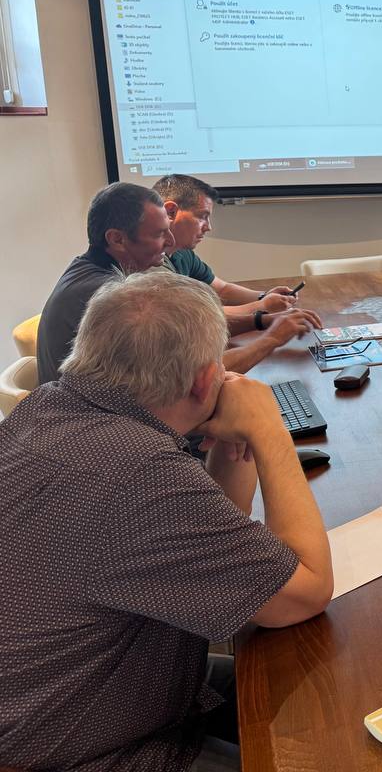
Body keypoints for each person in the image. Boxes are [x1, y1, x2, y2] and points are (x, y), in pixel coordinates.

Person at [0, 270, 333, 771]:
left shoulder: (48, 407)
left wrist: (234, 433)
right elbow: (305, 594)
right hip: (92, 749)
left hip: (70, 697)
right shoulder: (137, 471)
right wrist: (269, 430)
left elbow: (213, 537)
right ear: (204, 379)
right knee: (331, 721)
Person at [153, 173, 322, 371]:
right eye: (202, 216)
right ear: (171, 211)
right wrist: (263, 309)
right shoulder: (153, 269)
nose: (208, 227)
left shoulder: (181, 253)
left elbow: (221, 289)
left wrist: (264, 297)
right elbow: (202, 320)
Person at [36, 182, 175, 384]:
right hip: (85, 404)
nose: (171, 241)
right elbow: (164, 375)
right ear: (117, 239)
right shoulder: (110, 296)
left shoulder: (83, 267)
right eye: (159, 234)